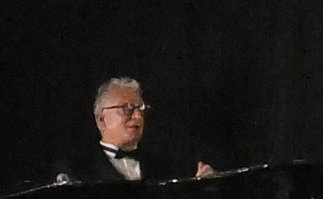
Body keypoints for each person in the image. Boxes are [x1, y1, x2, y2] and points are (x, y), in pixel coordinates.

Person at [62, 77, 217, 183]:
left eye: (141, 108)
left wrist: (200, 188)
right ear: (101, 119)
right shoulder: (77, 171)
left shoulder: (166, 165)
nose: (138, 116)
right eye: (127, 108)